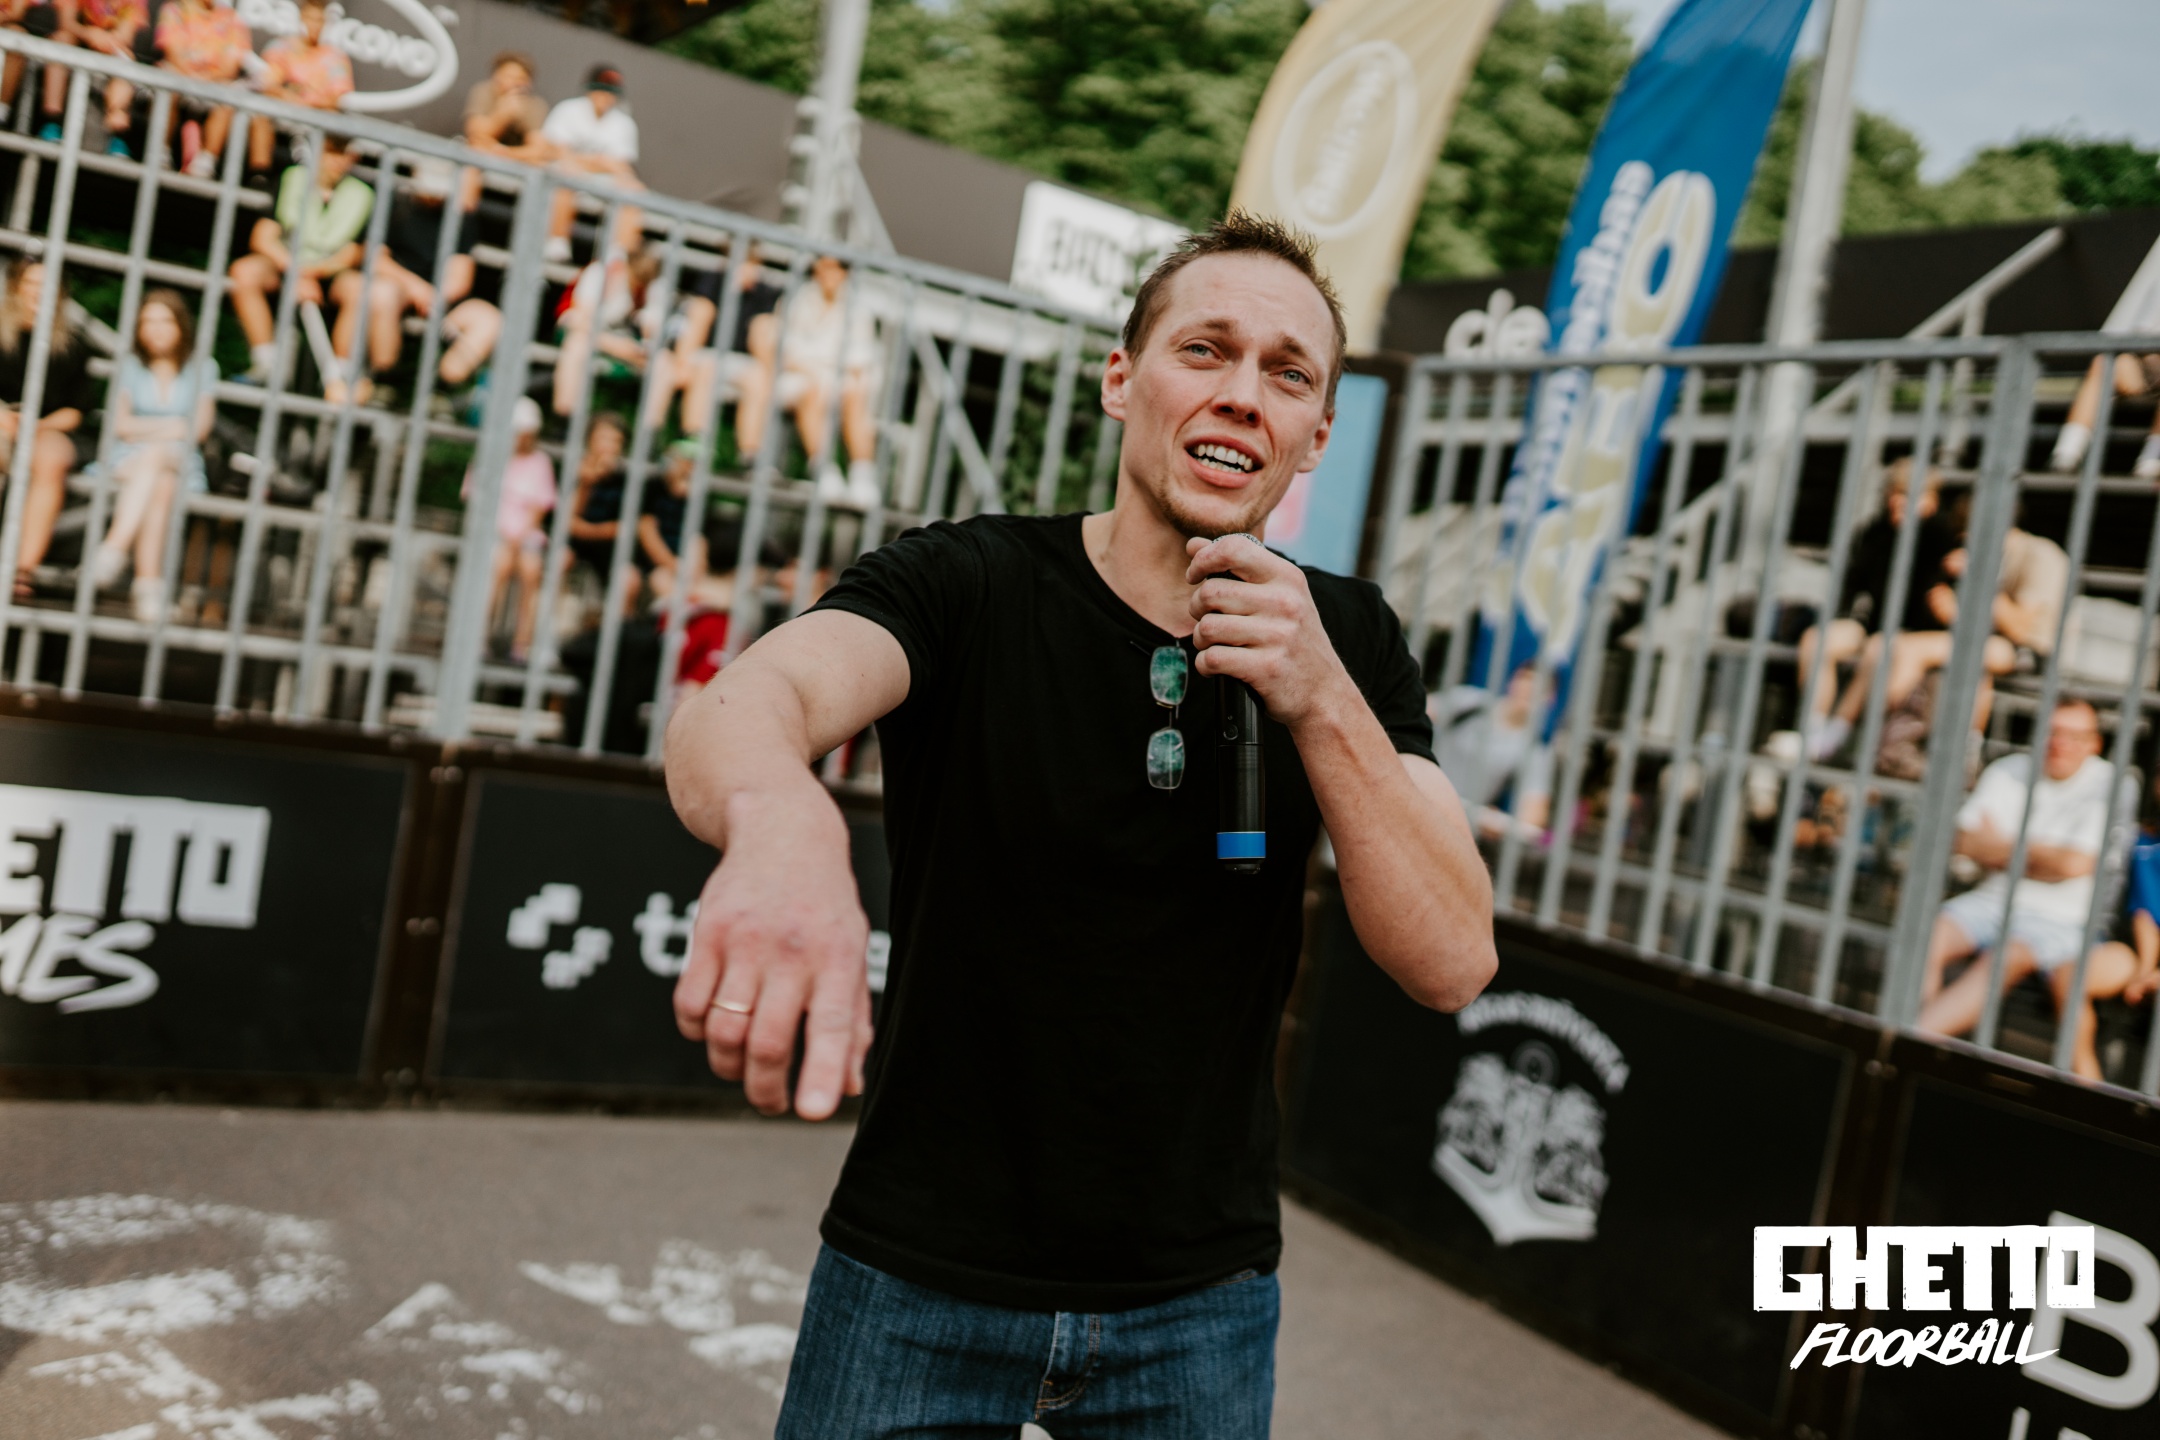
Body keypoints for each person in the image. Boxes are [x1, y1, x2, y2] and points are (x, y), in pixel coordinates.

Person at [662, 213, 1496, 1436]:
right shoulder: (970, 580)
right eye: (1204, 349)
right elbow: (747, 704)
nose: (1242, 393)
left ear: (1316, 435)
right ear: (1121, 378)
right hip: (916, 1278)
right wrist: (782, 823)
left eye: (1287, 373)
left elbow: (1452, 960)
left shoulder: (1351, 638)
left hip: (1199, 1307)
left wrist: (1320, 695)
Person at [1918, 699, 2116, 1076]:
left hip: (2061, 921)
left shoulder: (2112, 782)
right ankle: (1918, 1048)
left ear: (2095, 743)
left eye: (2074, 736)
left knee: (2004, 957)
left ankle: (1910, 1043)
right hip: (1990, 901)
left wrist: (2003, 847)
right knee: (1927, 935)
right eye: (2053, 732)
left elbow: (2074, 865)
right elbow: (1963, 841)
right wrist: (2044, 854)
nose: (2060, 743)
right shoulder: (2007, 769)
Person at [1799, 458, 1959, 760]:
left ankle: (1838, 732)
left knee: (1878, 649)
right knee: (1816, 640)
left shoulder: (1943, 537)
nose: (1899, 502)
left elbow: (1937, 601)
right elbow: (1852, 585)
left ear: (1931, 500)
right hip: (1873, 623)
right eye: (1894, 493)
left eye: (1909, 494)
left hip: (1917, 631)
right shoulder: (1874, 532)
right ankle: (1813, 729)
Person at [91, 290, 216, 623]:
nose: (155, 329)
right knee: (161, 480)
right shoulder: (130, 365)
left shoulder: (204, 368)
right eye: (147, 321)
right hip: (128, 460)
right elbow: (121, 426)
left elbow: (199, 429)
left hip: (180, 462)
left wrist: (146, 429)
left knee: (160, 462)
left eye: (164, 321)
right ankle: (148, 588)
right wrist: (174, 426)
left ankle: (113, 550)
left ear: (181, 325)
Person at [226, 134, 372, 387]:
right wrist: (296, 272)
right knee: (244, 271)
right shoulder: (291, 178)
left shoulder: (364, 194)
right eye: (331, 152)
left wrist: (314, 273)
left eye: (345, 154)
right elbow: (262, 238)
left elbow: (354, 253)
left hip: (329, 275)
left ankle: (340, 376)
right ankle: (267, 364)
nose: (338, 161)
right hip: (284, 265)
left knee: (360, 288)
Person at [746, 254, 879, 508]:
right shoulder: (798, 299)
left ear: (844, 273)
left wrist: (818, 366)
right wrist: (816, 368)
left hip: (832, 378)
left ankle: (861, 473)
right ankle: (824, 469)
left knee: (855, 394)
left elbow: (859, 359)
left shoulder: (858, 307)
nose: (826, 274)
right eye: (822, 268)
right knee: (814, 389)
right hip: (800, 378)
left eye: (833, 268)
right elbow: (783, 348)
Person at [552, 240, 714, 439]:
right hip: (586, 333)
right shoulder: (601, 273)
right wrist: (615, 346)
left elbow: (651, 328)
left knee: (663, 363)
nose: (639, 284)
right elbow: (579, 320)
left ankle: (649, 434)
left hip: (625, 342)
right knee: (577, 346)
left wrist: (643, 345)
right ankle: (564, 419)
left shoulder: (654, 285)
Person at [368, 161, 501, 397]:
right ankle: (383, 380)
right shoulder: (395, 207)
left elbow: (460, 277)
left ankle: (441, 390)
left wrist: (436, 297)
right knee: (383, 293)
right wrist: (416, 288)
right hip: (399, 292)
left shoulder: (461, 219)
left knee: (489, 319)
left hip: (440, 304)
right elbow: (377, 260)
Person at [0, 258, 91, 597]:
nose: (39, 292)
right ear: (16, 287)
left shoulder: (73, 345)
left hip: (45, 428)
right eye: (32, 283)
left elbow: (76, 411)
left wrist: (37, 426)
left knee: (53, 459)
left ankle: (22, 571)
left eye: (47, 285)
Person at [464, 396, 554, 661]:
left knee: (532, 571)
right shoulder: (487, 456)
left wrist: (518, 537)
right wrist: (506, 536)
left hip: (525, 536)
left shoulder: (541, 461)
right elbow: (477, 505)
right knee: (499, 565)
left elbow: (539, 508)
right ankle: (477, 636)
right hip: (493, 534)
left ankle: (522, 646)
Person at [1431, 662, 1554, 836]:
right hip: (1412, 792)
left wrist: (1494, 821)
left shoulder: (1534, 750)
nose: (1530, 689)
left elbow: (1532, 820)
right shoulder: (1468, 702)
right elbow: (1407, 712)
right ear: (1512, 681)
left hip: (1454, 827)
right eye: (1526, 679)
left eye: (1541, 687)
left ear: (1549, 699)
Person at [540, 64, 640, 265]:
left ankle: (618, 258)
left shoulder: (624, 123)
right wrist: (597, 162)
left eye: (611, 92)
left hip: (599, 180)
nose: (605, 96)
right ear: (589, 89)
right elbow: (556, 152)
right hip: (562, 175)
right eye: (600, 89)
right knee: (566, 176)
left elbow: (620, 166)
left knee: (634, 190)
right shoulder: (568, 109)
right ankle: (556, 241)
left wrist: (582, 161)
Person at [154, 0, 254, 178]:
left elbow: (231, 66)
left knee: (234, 93)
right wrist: (192, 76)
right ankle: (159, 151)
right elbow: (172, 51)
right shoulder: (175, 10)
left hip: (215, 84)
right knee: (166, 81)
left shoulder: (232, 19)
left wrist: (207, 78)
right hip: (180, 76)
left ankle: (206, 161)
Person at [257, 0, 351, 116]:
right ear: (300, 18)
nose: (314, 25)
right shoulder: (283, 47)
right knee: (259, 114)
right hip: (281, 112)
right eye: (310, 19)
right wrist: (288, 95)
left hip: (315, 117)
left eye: (319, 20)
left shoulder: (335, 57)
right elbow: (269, 83)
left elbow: (336, 98)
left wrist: (306, 102)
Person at [462, 50, 554, 165]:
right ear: (495, 76)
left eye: (520, 79)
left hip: (516, 160)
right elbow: (475, 134)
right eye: (508, 76)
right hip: (481, 154)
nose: (512, 83)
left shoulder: (535, 105)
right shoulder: (483, 91)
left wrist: (504, 152)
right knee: (476, 149)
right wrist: (503, 115)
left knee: (539, 163)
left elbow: (537, 149)